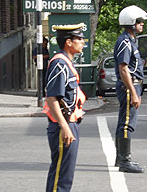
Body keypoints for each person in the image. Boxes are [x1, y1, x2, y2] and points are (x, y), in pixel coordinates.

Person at [43, 23, 86, 191]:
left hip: (70, 123)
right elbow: (52, 98)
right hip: (64, 125)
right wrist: (65, 126)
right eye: (80, 39)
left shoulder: (66, 62)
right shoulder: (60, 64)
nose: (83, 42)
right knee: (61, 177)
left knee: (64, 175)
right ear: (69, 42)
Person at [113, 5, 147, 173]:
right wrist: (134, 92)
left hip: (133, 85)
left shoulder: (130, 40)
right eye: (140, 22)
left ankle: (120, 158)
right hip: (129, 85)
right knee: (127, 124)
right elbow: (123, 69)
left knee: (123, 122)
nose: (142, 24)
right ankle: (125, 161)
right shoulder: (125, 41)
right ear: (132, 22)